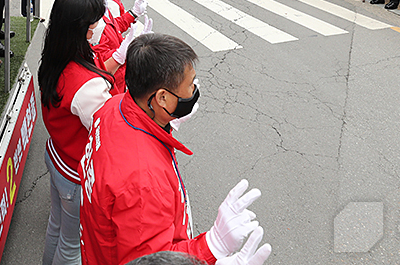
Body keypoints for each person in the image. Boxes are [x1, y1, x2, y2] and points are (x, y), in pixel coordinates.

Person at [79, 33, 271, 265]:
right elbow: (150, 260)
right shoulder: (144, 182)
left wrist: (164, 126)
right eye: (190, 85)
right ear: (161, 98)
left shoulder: (113, 106)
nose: (193, 90)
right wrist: (212, 245)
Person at [39, 0, 115, 265]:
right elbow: (110, 131)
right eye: (96, 21)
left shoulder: (56, 56)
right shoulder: (87, 86)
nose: (100, 26)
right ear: (82, 28)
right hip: (76, 171)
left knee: (55, 228)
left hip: (58, 156)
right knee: (72, 247)